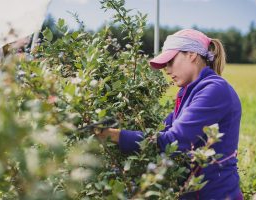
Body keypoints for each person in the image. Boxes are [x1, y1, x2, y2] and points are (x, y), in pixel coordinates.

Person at [97, 29, 243, 200]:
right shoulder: (189, 92)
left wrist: (114, 136)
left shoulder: (214, 90)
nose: (166, 70)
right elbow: (159, 131)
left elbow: (172, 141)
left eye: (170, 61)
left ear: (191, 54)